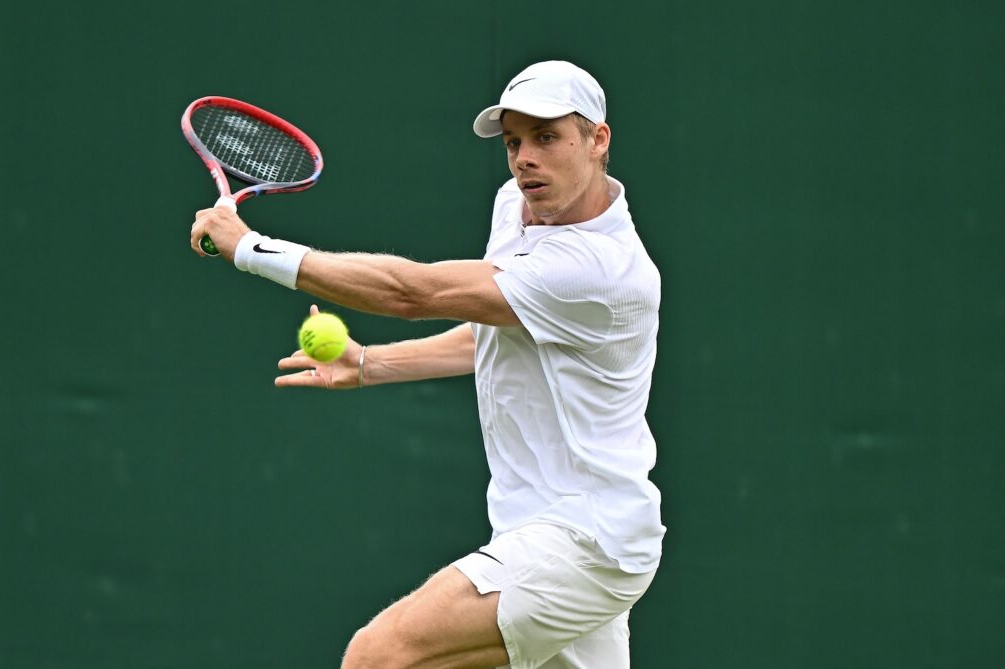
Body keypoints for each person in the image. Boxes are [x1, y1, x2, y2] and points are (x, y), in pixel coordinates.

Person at [190, 60, 665, 669]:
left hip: (583, 541)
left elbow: (414, 293)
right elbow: (495, 330)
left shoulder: (599, 268)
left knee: (380, 656)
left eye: (547, 138)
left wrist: (252, 249)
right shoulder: (515, 208)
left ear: (598, 140)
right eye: (515, 141)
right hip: (558, 535)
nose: (524, 159)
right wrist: (370, 364)